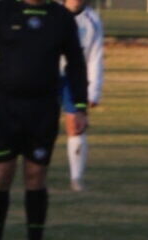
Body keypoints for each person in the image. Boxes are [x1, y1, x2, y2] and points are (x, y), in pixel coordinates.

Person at [0, 0, 88, 240]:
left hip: (43, 108)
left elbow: (76, 63)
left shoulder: (61, 17)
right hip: (4, 107)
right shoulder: (2, 11)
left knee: (36, 176)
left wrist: (79, 106)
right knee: (1, 173)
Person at [61, 0, 103, 191]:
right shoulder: (52, 12)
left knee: (75, 125)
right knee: (36, 125)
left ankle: (76, 178)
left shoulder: (92, 20)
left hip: (73, 78)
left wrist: (93, 91)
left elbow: (96, 57)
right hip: (45, 74)